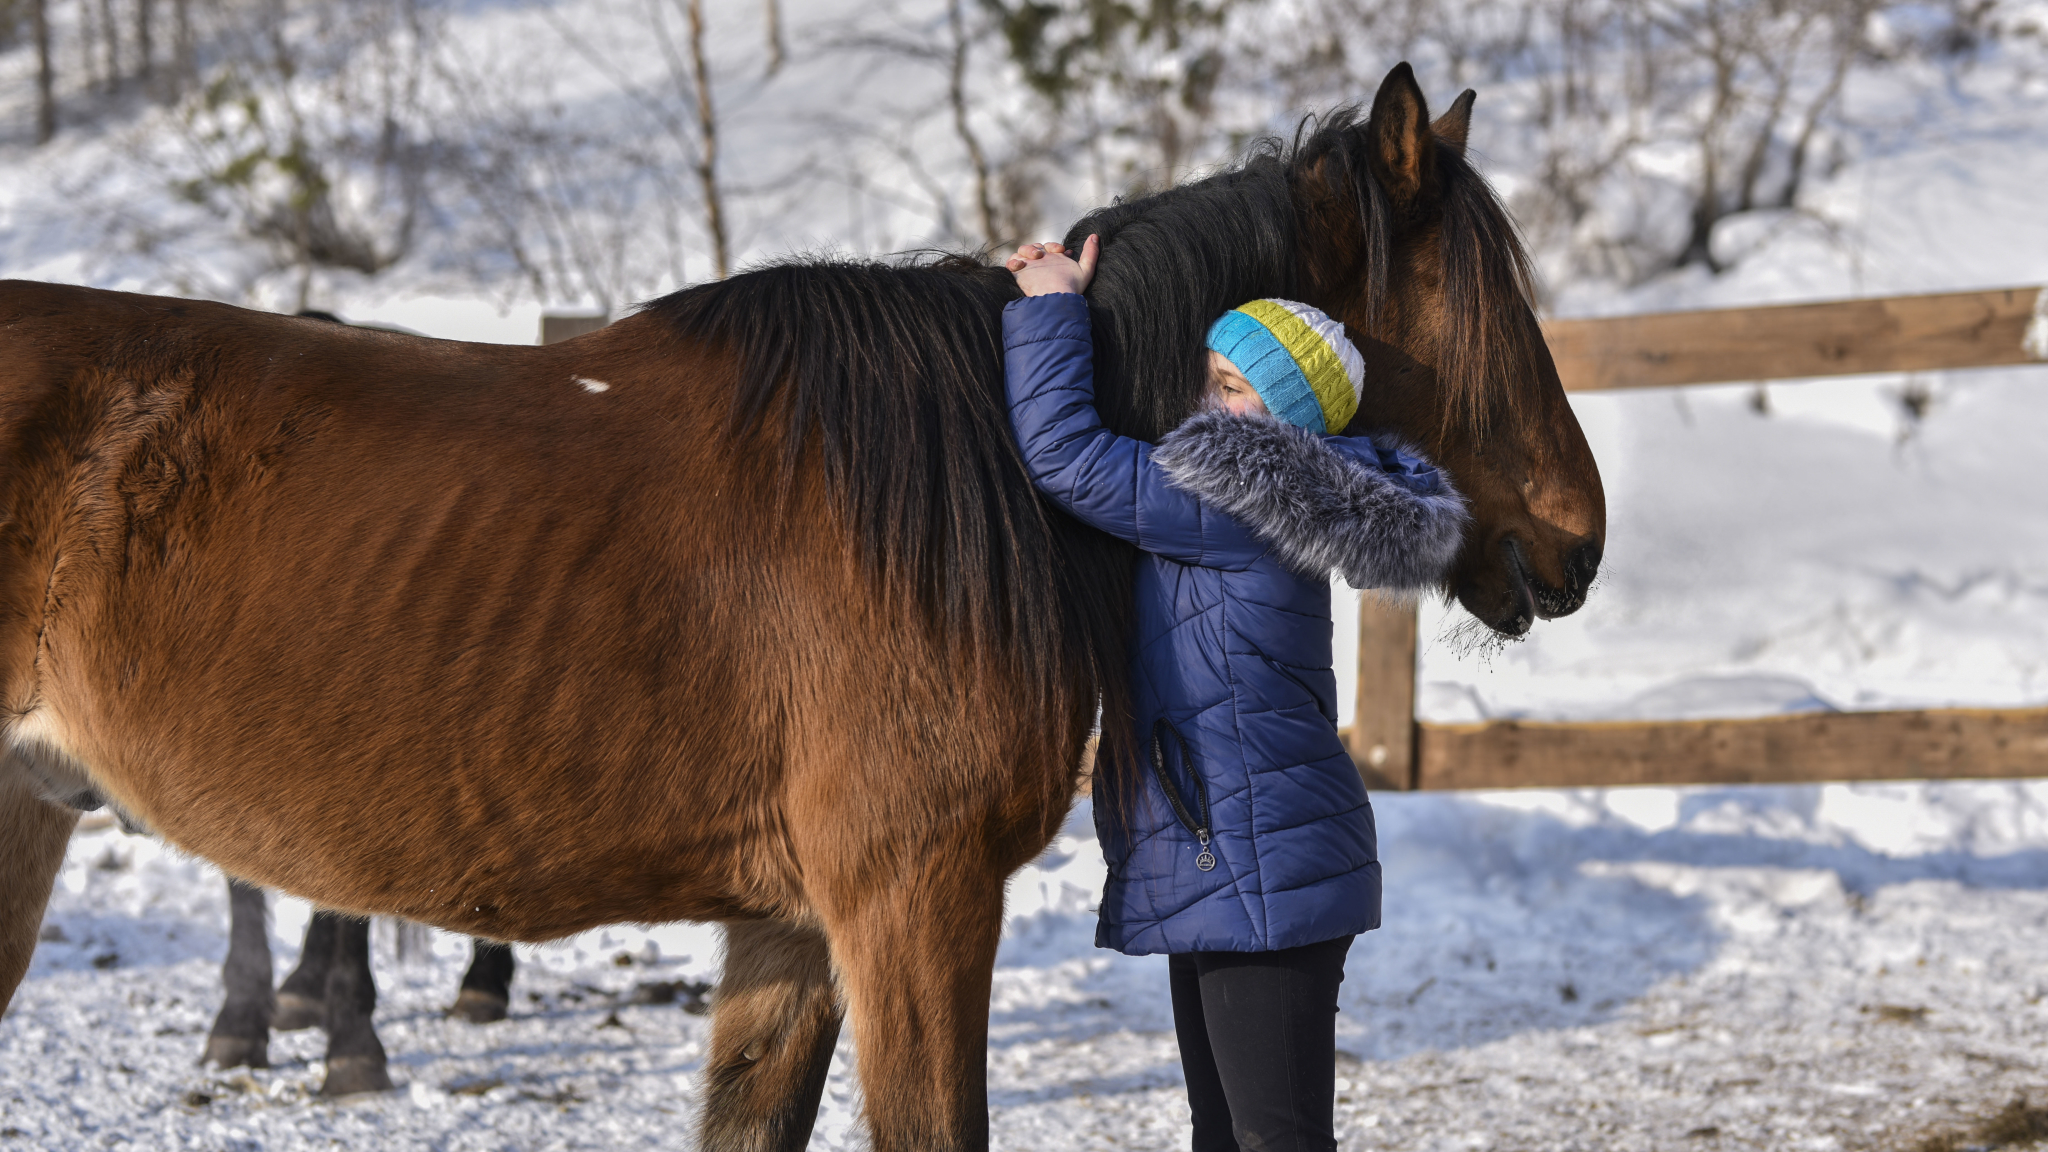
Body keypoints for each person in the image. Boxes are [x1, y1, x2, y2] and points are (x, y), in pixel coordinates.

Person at [1002, 236, 1469, 1152]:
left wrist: (1051, 303)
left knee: (1274, 1137)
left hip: (1258, 862)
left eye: (1233, 388)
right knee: (1227, 1132)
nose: (1208, 401)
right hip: (1235, 852)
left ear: (1286, 417)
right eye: (1208, 377)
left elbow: (1063, 452)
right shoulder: (1263, 491)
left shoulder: (1231, 494)